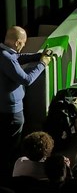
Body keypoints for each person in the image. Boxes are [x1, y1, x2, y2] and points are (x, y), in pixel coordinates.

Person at [0, 26, 52, 156]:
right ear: (17, 42)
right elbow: (27, 80)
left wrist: (38, 56)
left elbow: (18, 57)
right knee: (12, 146)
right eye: (23, 43)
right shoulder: (7, 58)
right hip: (12, 113)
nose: (23, 46)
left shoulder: (4, 53)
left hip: (6, 110)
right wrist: (43, 64)